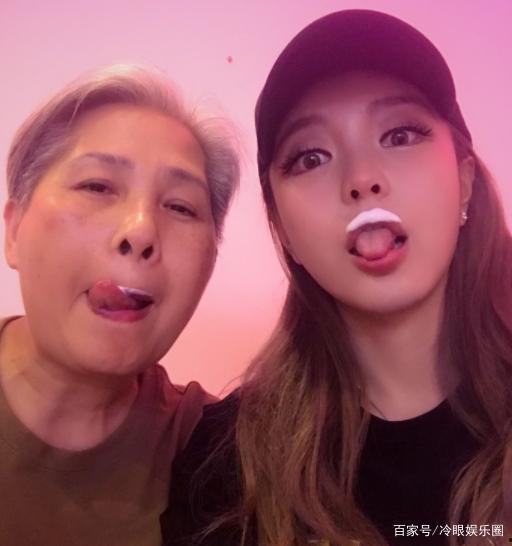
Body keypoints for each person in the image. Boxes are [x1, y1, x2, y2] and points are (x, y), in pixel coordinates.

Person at [161, 9, 512, 546]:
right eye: (311, 157)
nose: (362, 179)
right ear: (282, 228)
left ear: (464, 181)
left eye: (399, 134)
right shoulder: (222, 468)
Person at [0, 63, 239, 546]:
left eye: (180, 207)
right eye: (97, 186)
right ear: (14, 229)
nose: (141, 230)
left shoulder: (223, 452)